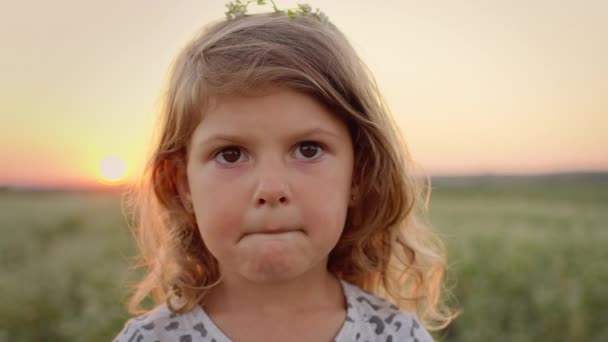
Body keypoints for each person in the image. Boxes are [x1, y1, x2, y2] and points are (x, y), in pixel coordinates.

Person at [115, 2, 456, 341]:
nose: (271, 188)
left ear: (359, 174)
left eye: (308, 149)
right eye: (231, 154)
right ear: (181, 183)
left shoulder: (396, 336)